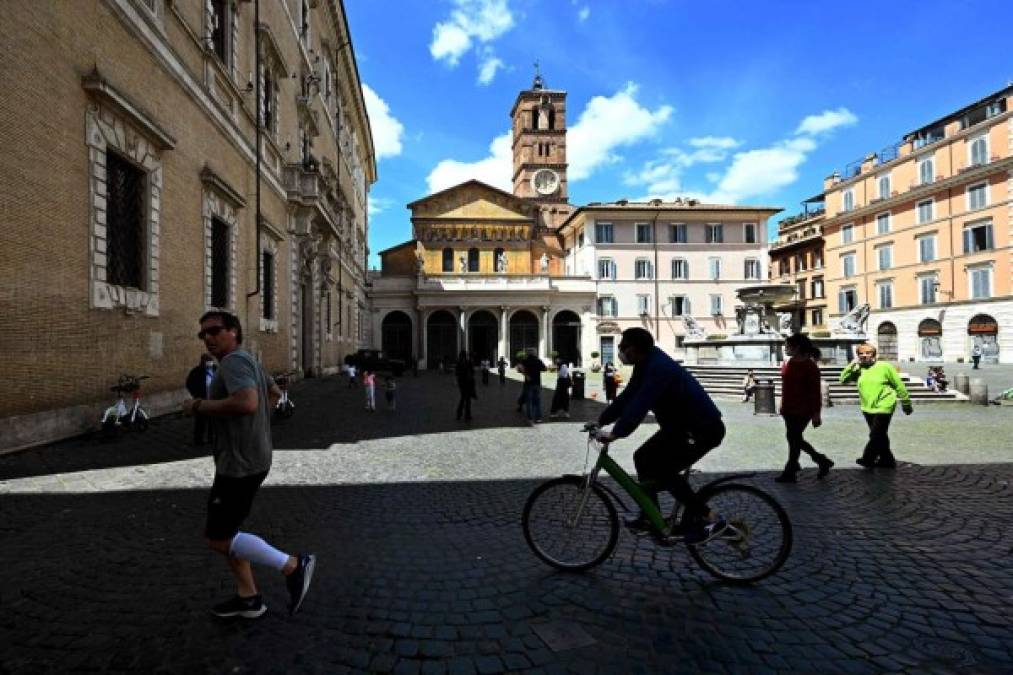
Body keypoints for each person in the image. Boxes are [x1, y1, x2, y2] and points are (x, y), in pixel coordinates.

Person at [182, 310, 315, 619]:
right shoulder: (249, 359)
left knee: (219, 538)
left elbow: (248, 402)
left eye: (214, 331)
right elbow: (273, 392)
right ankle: (248, 597)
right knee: (230, 533)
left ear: (233, 331)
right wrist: (256, 426)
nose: (208, 338)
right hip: (252, 457)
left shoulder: (233, 362)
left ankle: (294, 566)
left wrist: (199, 406)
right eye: (203, 334)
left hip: (239, 464)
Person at [595, 328, 727, 545]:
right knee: (642, 458)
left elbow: (640, 404)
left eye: (623, 346)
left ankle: (711, 518)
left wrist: (617, 433)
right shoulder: (646, 363)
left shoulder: (658, 368)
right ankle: (651, 517)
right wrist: (601, 420)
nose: (620, 351)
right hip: (681, 427)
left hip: (702, 429)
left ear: (635, 348)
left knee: (664, 470)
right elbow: (629, 396)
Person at [839, 343, 913, 469]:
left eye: (868, 353)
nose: (864, 356)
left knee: (875, 435)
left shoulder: (885, 367)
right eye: (861, 354)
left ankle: (867, 459)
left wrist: (906, 403)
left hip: (885, 404)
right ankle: (887, 460)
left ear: (874, 355)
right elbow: (842, 380)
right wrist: (852, 364)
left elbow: (899, 385)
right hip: (867, 407)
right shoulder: (858, 369)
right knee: (881, 435)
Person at [776, 334, 833, 483]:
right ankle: (816, 462)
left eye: (788, 346)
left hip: (802, 409)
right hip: (788, 408)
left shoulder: (810, 366)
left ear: (797, 347)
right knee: (794, 438)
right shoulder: (789, 362)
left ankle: (793, 469)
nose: (786, 348)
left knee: (794, 438)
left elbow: (814, 392)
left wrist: (816, 414)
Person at [185, 354, 217, 446]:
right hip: (201, 399)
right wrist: (195, 395)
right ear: (202, 362)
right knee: (200, 421)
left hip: (213, 400)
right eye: (207, 361)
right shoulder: (196, 372)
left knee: (213, 421)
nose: (210, 363)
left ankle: (211, 438)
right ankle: (198, 440)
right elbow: (189, 383)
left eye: (211, 360)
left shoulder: (216, 369)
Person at [521, 351, 546, 423]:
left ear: (527, 354)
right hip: (537, 383)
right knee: (537, 401)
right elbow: (544, 369)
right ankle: (538, 418)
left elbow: (519, 368)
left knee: (529, 401)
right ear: (535, 354)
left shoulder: (525, 361)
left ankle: (530, 418)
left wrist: (526, 375)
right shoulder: (538, 361)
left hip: (528, 383)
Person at [455, 350, 476, 421]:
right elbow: (473, 372)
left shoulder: (459, 363)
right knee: (466, 399)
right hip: (467, 383)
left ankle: (460, 413)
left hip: (462, 383)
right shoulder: (468, 362)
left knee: (464, 398)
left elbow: (457, 374)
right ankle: (466, 414)